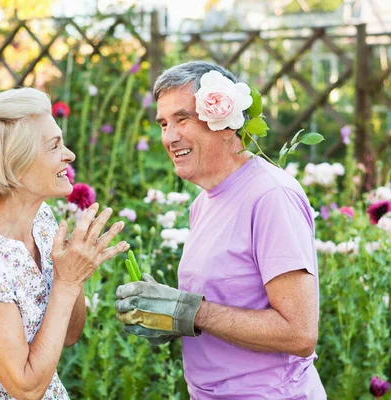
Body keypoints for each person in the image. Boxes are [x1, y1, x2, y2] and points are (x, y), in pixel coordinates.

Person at [115, 61, 326, 399]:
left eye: (183, 119)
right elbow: (219, 304)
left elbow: (299, 334)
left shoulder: (271, 196)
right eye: (164, 123)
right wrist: (168, 313)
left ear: (226, 123)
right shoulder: (204, 201)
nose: (169, 137)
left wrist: (191, 311)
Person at [0, 88, 130, 399]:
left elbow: (69, 334)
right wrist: (67, 282)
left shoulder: (41, 218)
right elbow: (26, 387)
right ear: (15, 166)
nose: (70, 154)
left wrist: (73, 271)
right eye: (54, 146)